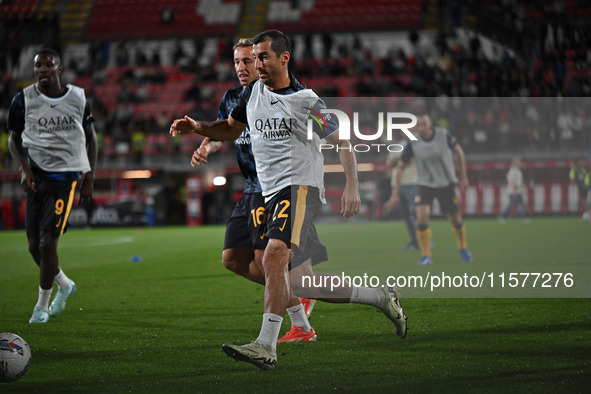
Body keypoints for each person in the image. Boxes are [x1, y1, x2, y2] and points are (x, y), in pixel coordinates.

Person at [170, 30, 407, 370]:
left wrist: (352, 185)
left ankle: (266, 345)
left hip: (300, 188)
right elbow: (230, 129)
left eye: (263, 57)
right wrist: (198, 128)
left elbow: (342, 142)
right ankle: (380, 297)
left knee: (274, 255)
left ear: (284, 58)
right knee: (300, 281)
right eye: (254, 58)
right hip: (269, 192)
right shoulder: (251, 93)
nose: (256, 64)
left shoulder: (305, 101)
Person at [190, 38, 317, 342]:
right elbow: (226, 127)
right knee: (233, 259)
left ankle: (289, 324)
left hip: (273, 186)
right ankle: (296, 301)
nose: (243, 67)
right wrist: (205, 144)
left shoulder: (283, 93)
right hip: (250, 187)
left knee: (273, 259)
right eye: (237, 62)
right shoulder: (236, 96)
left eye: (249, 60)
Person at [7, 48, 97, 323]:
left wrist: (89, 176)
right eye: (38, 65)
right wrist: (23, 169)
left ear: (59, 68)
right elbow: (13, 138)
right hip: (36, 177)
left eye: (48, 64)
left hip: (65, 179)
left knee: (48, 243)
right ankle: (66, 285)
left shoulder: (78, 98)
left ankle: (41, 307)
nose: (42, 69)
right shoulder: (23, 100)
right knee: (34, 246)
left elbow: (91, 139)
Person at [393, 108, 473, 266]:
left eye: (424, 123)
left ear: (430, 124)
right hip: (425, 183)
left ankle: (463, 246)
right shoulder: (412, 142)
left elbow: (459, 153)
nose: (421, 127)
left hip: (445, 182)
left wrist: (463, 178)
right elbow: (401, 166)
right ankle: (426, 255)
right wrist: (395, 193)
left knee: (455, 218)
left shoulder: (443, 135)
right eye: (418, 124)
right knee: (421, 216)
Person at [383, 141, 419, 250]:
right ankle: (414, 241)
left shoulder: (416, 145)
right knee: (406, 215)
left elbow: (410, 161)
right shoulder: (397, 147)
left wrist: (398, 162)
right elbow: (389, 164)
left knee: (415, 214)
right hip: (397, 184)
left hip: (411, 183)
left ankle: (425, 241)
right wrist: (402, 161)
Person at [498, 157, 529, 223]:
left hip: (518, 191)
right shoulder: (512, 171)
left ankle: (523, 218)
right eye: (519, 162)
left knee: (522, 204)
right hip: (513, 191)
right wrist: (518, 188)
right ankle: (501, 215)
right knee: (511, 205)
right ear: (515, 163)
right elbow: (512, 181)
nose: (520, 164)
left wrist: (520, 188)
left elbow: (519, 181)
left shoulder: (517, 170)